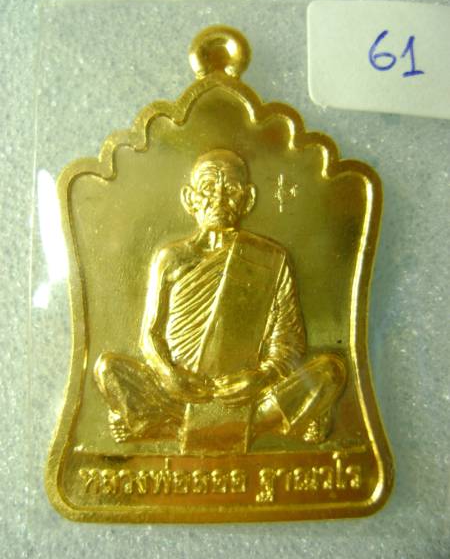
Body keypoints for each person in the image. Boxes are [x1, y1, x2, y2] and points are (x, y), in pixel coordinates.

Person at [94, 149, 346, 450]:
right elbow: (150, 336)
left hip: (248, 398)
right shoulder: (170, 259)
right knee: (108, 369)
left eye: (232, 190)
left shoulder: (270, 258)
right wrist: (169, 375)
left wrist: (260, 378)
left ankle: (170, 429)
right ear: (190, 199)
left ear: (247, 199)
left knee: (330, 371)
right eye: (208, 188)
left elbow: (289, 345)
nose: (219, 199)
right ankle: (254, 429)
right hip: (181, 396)